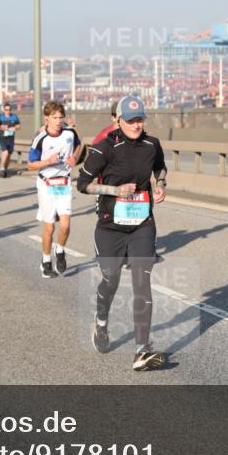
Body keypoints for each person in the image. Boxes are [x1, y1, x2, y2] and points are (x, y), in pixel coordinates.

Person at [76, 95, 168, 371]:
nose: (136, 125)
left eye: (139, 119)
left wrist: (160, 184)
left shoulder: (152, 145)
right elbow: (83, 184)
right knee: (111, 279)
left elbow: (160, 167)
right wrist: (115, 191)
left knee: (142, 282)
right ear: (117, 120)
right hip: (109, 226)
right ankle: (101, 323)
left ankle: (142, 349)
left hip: (142, 223)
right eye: (130, 120)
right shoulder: (105, 148)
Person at [27, 101, 82, 278]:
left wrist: (74, 157)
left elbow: (79, 145)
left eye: (60, 117)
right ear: (47, 119)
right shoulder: (41, 138)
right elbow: (30, 165)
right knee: (50, 227)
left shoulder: (70, 132)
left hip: (64, 183)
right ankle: (45, 261)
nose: (58, 121)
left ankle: (60, 250)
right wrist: (47, 162)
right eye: (54, 118)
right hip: (46, 184)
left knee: (65, 226)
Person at [0, 102, 21, 176]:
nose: (8, 111)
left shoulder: (14, 117)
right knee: (5, 152)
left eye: (9, 109)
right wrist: (2, 127)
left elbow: (19, 126)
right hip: (2, 137)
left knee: (9, 155)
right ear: (4, 110)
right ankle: (1, 168)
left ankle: (5, 168)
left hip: (11, 138)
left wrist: (14, 128)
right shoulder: (0, 117)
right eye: (6, 110)